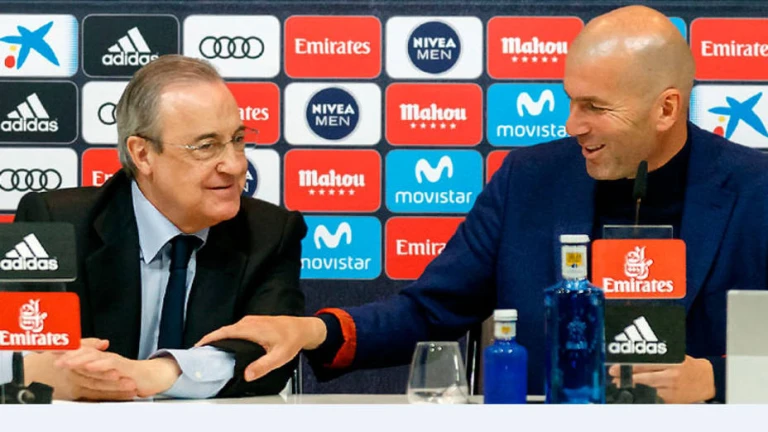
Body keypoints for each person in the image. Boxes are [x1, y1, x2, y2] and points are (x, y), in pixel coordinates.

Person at [197, 5, 768, 404]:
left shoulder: (756, 189)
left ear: (666, 109)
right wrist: (312, 332)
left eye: (595, 108)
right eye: (572, 101)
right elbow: (431, 310)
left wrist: (716, 380)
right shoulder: (530, 179)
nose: (573, 125)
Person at [0, 55, 307, 401]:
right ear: (142, 154)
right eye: (206, 146)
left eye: (237, 139)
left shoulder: (270, 234)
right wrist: (31, 369)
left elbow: (271, 355)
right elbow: (12, 345)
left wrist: (157, 373)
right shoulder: (56, 224)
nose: (235, 165)